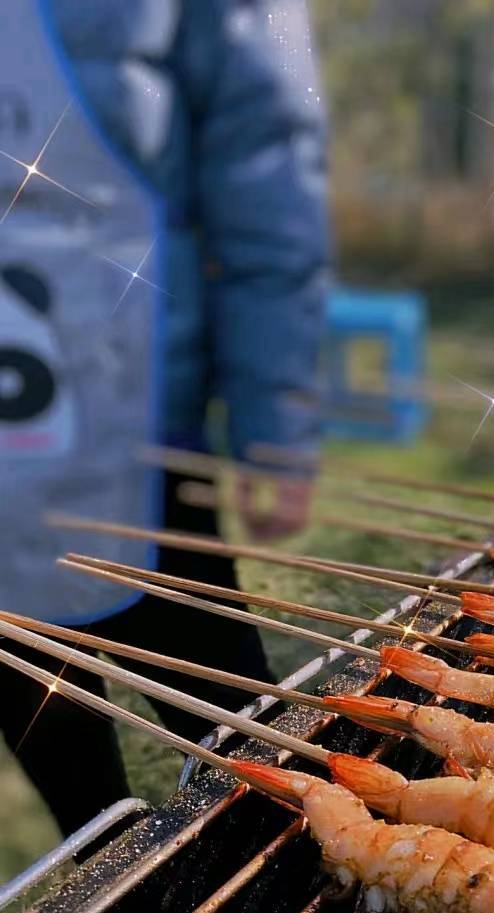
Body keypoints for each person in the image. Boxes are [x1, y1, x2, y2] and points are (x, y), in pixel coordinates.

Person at [0, 0, 328, 838]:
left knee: (247, 759)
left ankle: (271, 891)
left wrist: (275, 427)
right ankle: (115, 888)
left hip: (141, 434)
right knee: (48, 722)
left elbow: (267, 179)